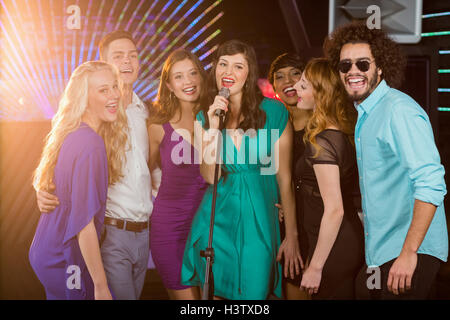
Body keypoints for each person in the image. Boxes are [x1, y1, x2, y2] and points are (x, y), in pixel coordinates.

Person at [324, 22, 448, 299]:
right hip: (381, 251)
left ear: (380, 67)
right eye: (345, 66)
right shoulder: (367, 114)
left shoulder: (398, 110)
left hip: (409, 250)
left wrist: (408, 252)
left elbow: (431, 183)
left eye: (363, 64)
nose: (353, 71)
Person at [35, 30, 154, 300]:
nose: (127, 62)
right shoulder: (93, 125)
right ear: (105, 63)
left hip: (142, 233)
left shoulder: (146, 112)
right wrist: (43, 190)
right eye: (118, 56)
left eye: (133, 56)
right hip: (107, 234)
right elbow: (58, 171)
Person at [181, 39, 303, 300]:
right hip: (217, 218)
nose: (228, 72)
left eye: (238, 66)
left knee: (255, 292)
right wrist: (213, 127)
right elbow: (207, 175)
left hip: (259, 215)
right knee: (215, 294)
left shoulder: (274, 111)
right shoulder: (205, 115)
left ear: (248, 74)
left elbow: (284, 178)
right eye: (223, 64)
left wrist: (291, 235)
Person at [29, 61, 128, 299]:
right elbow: (83, 223)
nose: (115, 95)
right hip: (63, 256)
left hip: (49, 250)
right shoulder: (90, 144)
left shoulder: (77, 134)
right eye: (103, 90)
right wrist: (101, 285)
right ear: (84, 98)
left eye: (115, 87)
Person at [291, 58, 364, 299]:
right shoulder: (340, 133)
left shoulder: (322, 142)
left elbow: (335, 209)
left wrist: (315, 267)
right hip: (337, 240)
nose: (296, 90)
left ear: (321, 93)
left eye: (303, 85)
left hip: (336, 245)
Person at [147, 49, 208, 299]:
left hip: (210, 228)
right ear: (169, 85)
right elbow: (139, 173)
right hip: (169, 229)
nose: (188, 81)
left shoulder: (219, 119)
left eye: (193, 73)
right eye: (179, 76)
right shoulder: (156, 127)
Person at [268, 53, 310, 300]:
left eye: (295, 73)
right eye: (279, 77)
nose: (288, 81)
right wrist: (277, 199)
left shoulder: (323, 125)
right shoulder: (272, 127)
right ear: (273, 87)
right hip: (285, 225)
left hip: (318, 221)